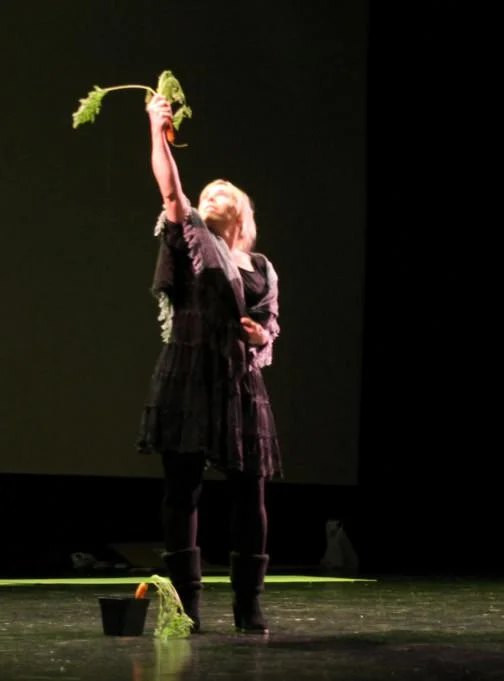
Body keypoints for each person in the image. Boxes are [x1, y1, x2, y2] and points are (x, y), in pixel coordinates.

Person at [136, 93, 283, 634]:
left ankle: (249, 604)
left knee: (250, 492)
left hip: (239, 383)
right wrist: (158, 128)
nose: (211, 194)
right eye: (206, 192)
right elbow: (170, 191)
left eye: (223, 192)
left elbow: (269, 323)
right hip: (189, 377)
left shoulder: (260, 265)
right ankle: (186, 607)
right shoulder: (192, 237)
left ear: (242, 212)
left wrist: (258, 332)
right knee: (183, 490)